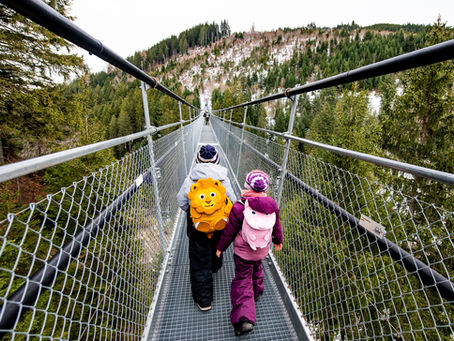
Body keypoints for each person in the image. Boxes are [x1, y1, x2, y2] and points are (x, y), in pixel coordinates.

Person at [216, 170, 283, 336]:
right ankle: (257, 290)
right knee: (257, 265)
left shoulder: (239, 206)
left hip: (243, 252)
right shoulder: (272, 205)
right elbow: (276, 226)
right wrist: (277, 240)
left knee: (242, 279)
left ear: (247, 186)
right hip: (262, 249)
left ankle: (244, 318)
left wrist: (220, 248)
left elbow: (229, 231)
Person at [177, 144, 236, 311]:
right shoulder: (224, 179)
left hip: (198, 225)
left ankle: (204, 301)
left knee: (199, 257)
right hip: (219, 224)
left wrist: (193, 210)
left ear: (197, 161)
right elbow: (232, 199)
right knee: (216, 245)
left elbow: (181, 202)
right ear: (217, 161)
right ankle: (215, 266)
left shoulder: (190, 179)